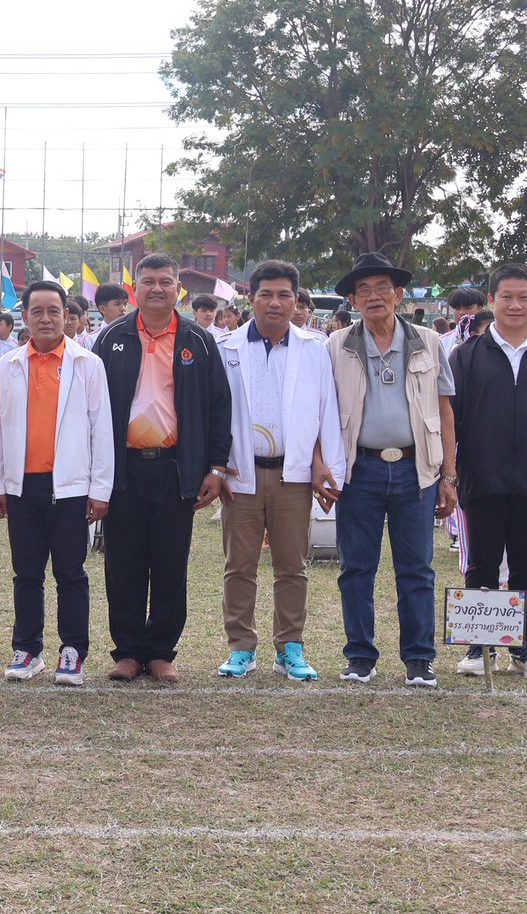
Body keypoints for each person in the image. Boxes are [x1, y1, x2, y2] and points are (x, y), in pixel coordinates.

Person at [93, 253, 231, 683]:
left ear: (178, 289)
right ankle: (128, 652)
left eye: (165, 282)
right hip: (123, 470)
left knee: (170, 565)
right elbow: (90, 408)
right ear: (134, 288)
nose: (157, 288)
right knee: (123, 565)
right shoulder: (111, 337)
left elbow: (218, 406)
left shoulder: (199, 340)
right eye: (148, 281)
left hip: (175, 469)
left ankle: (160, 652)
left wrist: (216, 467)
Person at [327, 252, 457, 687]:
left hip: (415, 469)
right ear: (352, 300)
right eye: (363, 290)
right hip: (358, 470)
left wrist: (449, 475)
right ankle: (360, 656)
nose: (374, 296)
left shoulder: (429, 341)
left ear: (399, 295)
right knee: (356, 568)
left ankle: (420, 658)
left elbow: (445, 412)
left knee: (417, 569)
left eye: (383, 287)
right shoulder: (337, 345)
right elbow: (322, 410)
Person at [213, 261, 345, 683]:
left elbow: (326, 412)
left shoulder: (314, 348)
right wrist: (216, 467)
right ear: (250, 298)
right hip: (241, 474)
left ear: (296, 300)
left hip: (294, 474)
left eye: (284, 294)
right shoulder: (227, 347)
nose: (275, 302)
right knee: (240, 564)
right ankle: (241, 646)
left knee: (292, 565)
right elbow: (214, 413)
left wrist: (324, 464)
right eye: (266, 294)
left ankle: (290, 646)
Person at [0, 280, 114, 687]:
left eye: (54, 311)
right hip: (22, 486)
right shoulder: (7, 366)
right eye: (37, 311)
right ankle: (28, 649)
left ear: (68, 315)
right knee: (26, 573)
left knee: (71, 572)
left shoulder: (87, 364)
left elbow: (101, 429)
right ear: (24, 316)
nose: (46, 318)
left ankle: (73, 651)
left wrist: (100, 489)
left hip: (71, 487)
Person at [447, 263, 527, 673]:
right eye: (507, 297)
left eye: (524, 298)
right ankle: (480, 648)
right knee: (482, 564)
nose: (516, 305)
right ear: (491, 301)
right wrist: (449, 474)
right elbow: (450, 420)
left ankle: (521, 649)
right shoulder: (466, 356)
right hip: (481, 479)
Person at [440, 286, 488, 359]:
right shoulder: (443, 341)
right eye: (457, 308)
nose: (462, 312)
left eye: (468, 308)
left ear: (480, 309)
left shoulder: (491, 338)